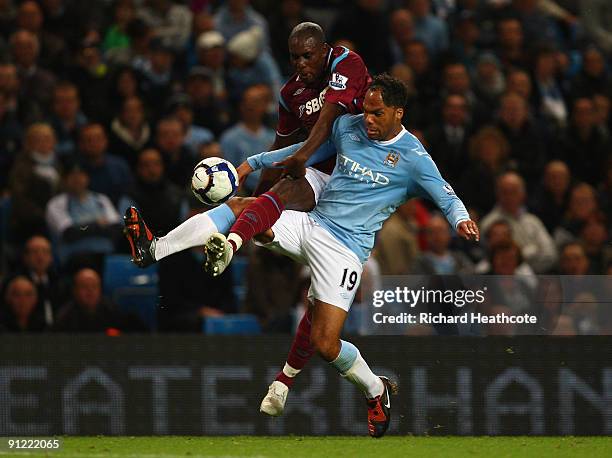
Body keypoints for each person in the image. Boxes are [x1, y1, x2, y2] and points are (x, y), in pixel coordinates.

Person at [203, 75, 479, 436]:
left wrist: (460, 220)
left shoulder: (413, 158)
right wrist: (253, 163)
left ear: (398, 113)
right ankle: (191, 245)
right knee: (256, 216)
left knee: (325, 343)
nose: (368, 119)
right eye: (365, 111)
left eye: (377, 114)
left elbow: (445, 194)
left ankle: (375, 390)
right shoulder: (348, 127)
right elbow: (300, 150)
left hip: (347, 251)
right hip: (314, 224)